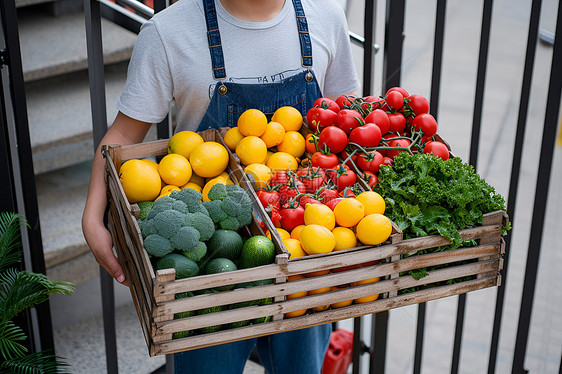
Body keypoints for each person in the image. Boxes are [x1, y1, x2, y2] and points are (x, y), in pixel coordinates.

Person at [82, 0, 360, 372]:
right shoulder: (169, 31)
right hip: (212, 254)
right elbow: (123, 134)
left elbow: (344, 119)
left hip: (305, 244)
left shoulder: (324, 16)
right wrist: (91, 216)